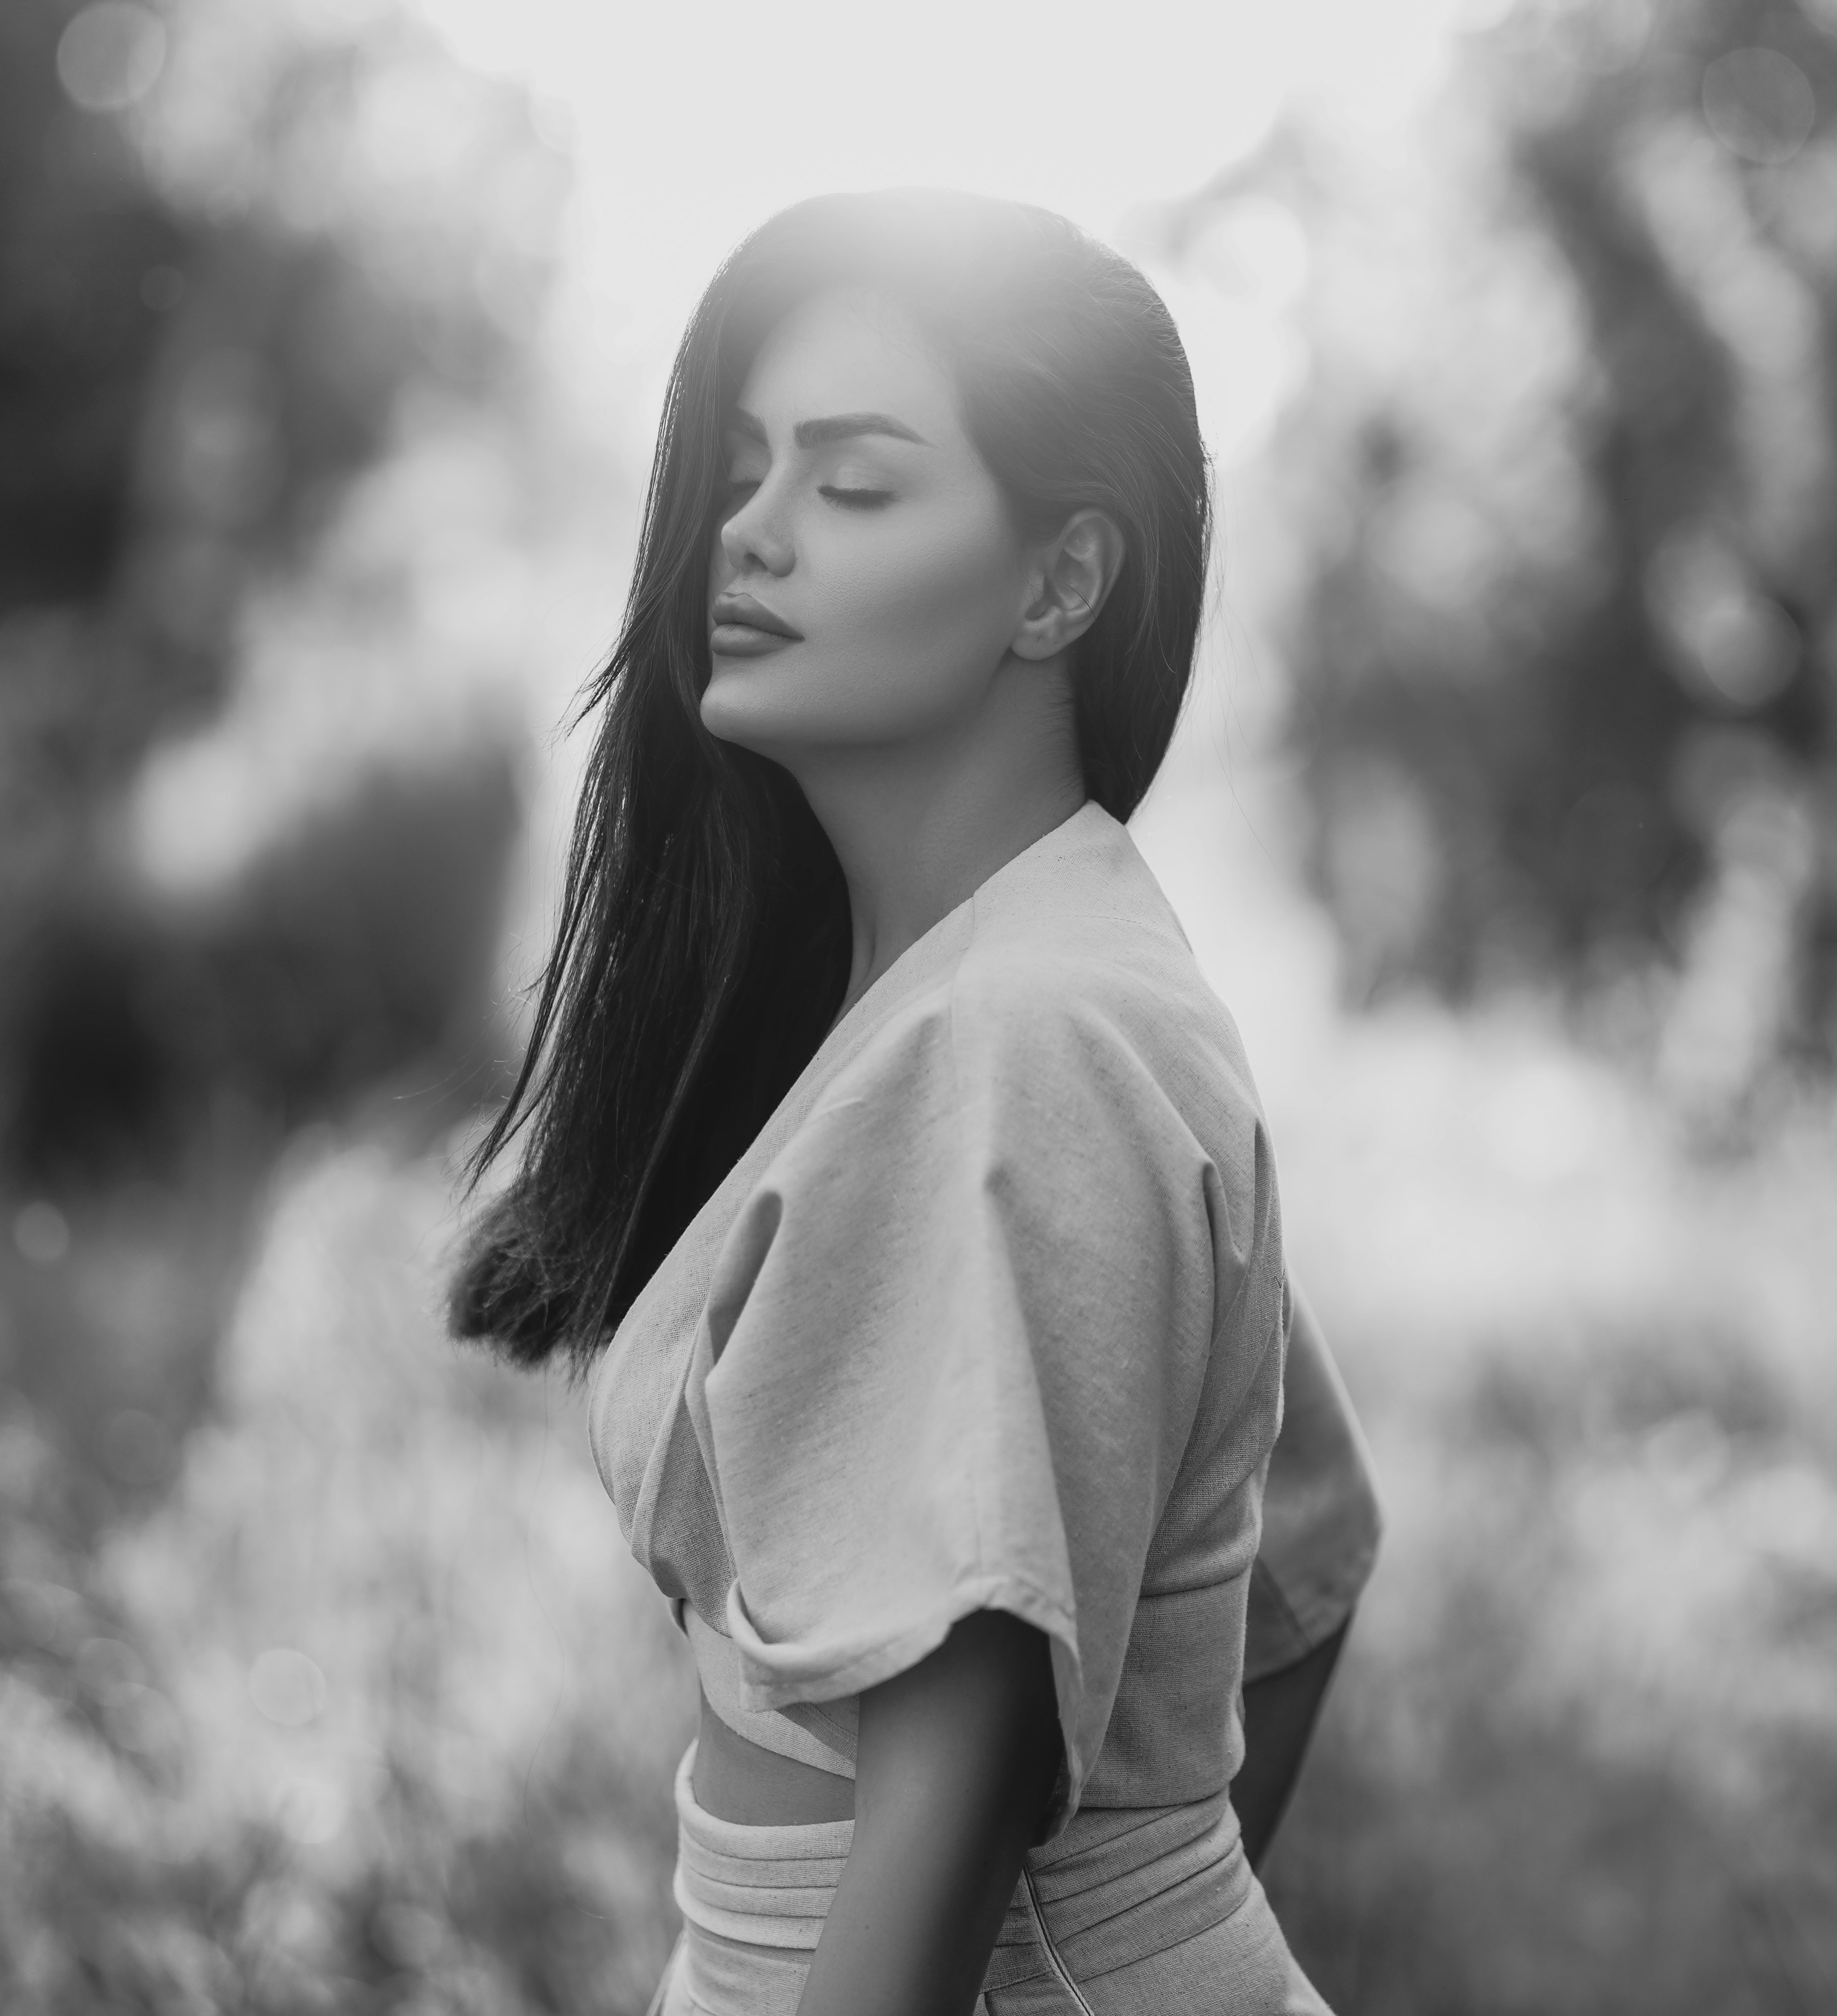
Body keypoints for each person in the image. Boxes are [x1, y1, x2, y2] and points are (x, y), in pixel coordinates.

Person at [450, 190, 1380, 2015]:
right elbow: (1309, 1547)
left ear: (1057, 583)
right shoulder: (1000, 983)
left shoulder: (1023, 1040)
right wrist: (1133, 1923)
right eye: (744, 470)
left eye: (853, 486)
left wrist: (1095, 1938)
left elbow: (946, 1817)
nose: (750, 534)